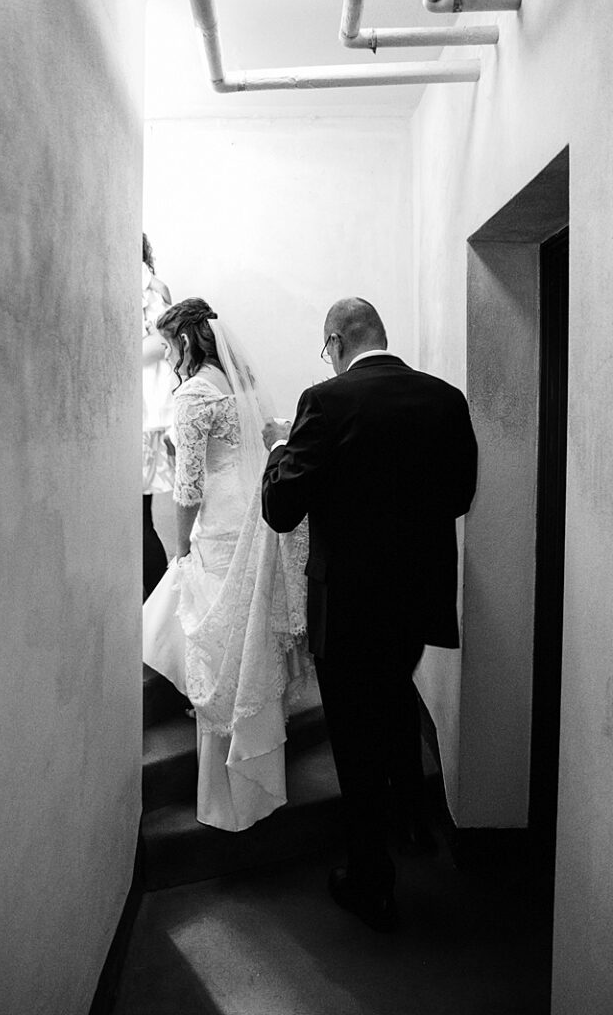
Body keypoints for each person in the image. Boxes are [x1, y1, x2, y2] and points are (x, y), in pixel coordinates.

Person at [261, 297, 478, 932]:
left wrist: (281, 447)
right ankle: (412, 822)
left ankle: (370, 879)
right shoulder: (445, 398)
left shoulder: (324, 403)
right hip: (417, 596)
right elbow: (458, 497)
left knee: (353, 739)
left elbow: (280, 507)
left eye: (324, 349)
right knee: (392, 700)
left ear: (335, 342)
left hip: (349, 602)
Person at [143, 297, 313, 832]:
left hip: (217, 531)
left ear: (186, 341)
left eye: (169, 346)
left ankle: (227, 797)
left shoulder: (193, 394)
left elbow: (189, 486)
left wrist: (180, 545)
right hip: (255, 522)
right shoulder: (238, 385)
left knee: (217, 654)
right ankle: (257, 776)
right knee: (249, 647)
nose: (169, 358)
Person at [141, 233, 175, 599]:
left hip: (142, 417)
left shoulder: (152, 289)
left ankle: (154, 605)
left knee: (138, 519)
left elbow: (160, 345)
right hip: (144, 417)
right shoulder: (152, 286)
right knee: (137, 518)